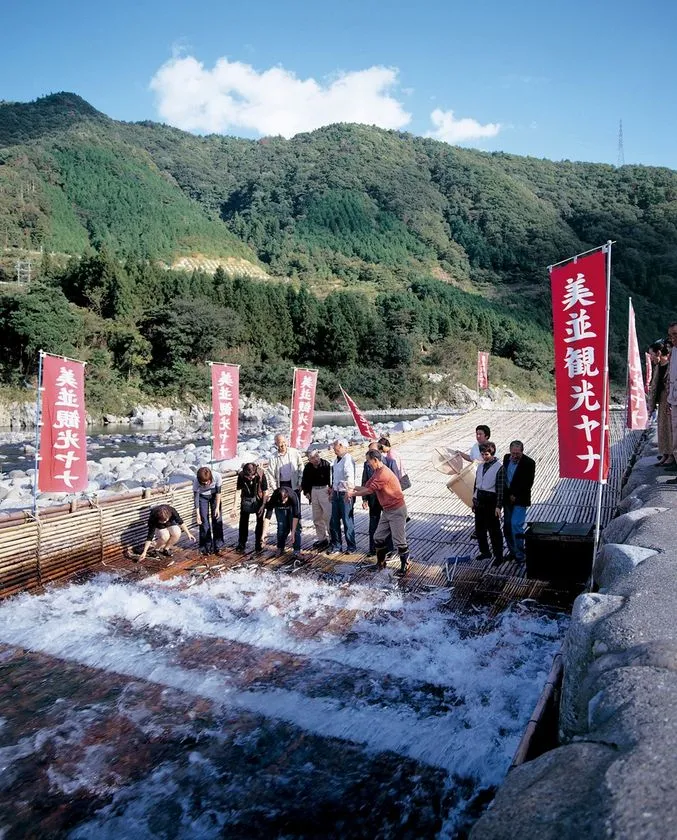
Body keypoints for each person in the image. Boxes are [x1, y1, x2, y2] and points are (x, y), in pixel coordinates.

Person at [348, 449, 410, 575]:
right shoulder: (377, 471)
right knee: (378, 537)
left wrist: (352, 494)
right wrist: (352, 487)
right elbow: (367, 486)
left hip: (397, 510)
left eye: (368, 461)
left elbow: (369, 491)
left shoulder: (383, 473)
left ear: (375, 460)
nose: (367, 463)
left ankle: (405, 565)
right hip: (387, 510)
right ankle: (381, 563)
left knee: (399, 540)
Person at [266, 433, 304, 549]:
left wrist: (300, 481)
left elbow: (301, 467)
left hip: (294, 487)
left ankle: (296, 548)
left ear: (286, 442)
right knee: (281, 521)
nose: (282, 445)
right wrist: (275, 489)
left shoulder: (294, 452)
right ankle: (280, 546)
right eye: (279, 443)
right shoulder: (273, 457)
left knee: (296, 517)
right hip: (280, 488)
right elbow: (270, 474)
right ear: (276, 444)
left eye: (283, 442)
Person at [501, 441, 536, 563]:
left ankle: (520, 554)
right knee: (507, 526)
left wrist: (515, 495)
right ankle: (513, 552)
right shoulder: (506, 458)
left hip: (520, 499)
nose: (515, 456)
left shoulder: (529, 463)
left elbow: (528, 483)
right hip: (507, 498)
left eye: (517, 453)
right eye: (513, 453)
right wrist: (507, 494)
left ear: (522, 451)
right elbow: (504, 478)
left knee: (516, 525)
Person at [473, 442, 504, 566]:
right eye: (482, 454)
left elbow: (500, 489)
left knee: (494, 531)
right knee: (480, 529)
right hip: (479, 500)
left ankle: (498, 556)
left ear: (492, 453)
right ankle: (485, 552)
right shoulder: (480, 466)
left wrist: (498, 506)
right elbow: (476, 484)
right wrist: (473, 499)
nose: (484, 457)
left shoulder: (499, 467)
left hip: (491, 501)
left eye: (486, 454)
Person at [361, 442, 394, 556]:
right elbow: (365, 480)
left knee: (388, 523)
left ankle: (389, 549)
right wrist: (364, 499)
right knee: (373, 524)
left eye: (372, 451)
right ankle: (373, 549)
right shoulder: (367, 464)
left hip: (385, 498)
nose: (370, 454)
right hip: (373, 498)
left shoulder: (389, 462)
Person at [328, 438, 357, 554]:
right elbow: (335, 478)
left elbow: (350, 477)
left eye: (335, 446)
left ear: (341, 446)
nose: (334, 449)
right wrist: (332, 491)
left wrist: (349, 492)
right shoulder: (336, 460)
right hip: (336, 493)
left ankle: (351, 546)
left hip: (345, 493)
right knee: (334, 520)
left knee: (347, 520)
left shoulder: (348, 459)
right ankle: (337, 545)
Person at [232, 462, 268, 552]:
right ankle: (241, 543)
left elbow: (265, 491)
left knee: (259, 521)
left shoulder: (261, 474)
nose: (249, 478)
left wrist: (263, 505)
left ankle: (258, 543)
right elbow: (238, 491)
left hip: (258, 499)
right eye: (247, 477)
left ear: (255, 473)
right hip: (246, 499)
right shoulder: (241, 476)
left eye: (251, 476)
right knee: (243, 522)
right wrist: (234, 507)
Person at [648, 341, 673, 466]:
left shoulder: (670, 366)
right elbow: (654, 386)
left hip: (669, 400)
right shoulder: (658, 367)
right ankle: (665, 453)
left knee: (670, 429)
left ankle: (671, 455)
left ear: (658, 353)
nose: (651, 358)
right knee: (662, 428)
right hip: (662, 401)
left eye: (652, 355)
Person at [301, 449, 332, 549]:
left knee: (328, 516)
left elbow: (332, 478)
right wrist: (306, 492)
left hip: (325, 490)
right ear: (309, 459)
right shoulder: (308, 467)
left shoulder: (326, 464)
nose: (316, 459)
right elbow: (305, 481)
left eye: (317, 456)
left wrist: (331, 489)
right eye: (313, 458)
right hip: (314, 491)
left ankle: (333, 539)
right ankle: (322, 539)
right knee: (317, 517)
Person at [193, 466, 223, 555]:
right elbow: (196, 498)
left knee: (217, 519)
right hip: (202, 497)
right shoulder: (196, 481)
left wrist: (217, 507)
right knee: (204, 522)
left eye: (208, 481)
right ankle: (206, 546)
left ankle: (218, 545)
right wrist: (198, 514)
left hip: (214, 496)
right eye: (203, 482)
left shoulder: (217, 476)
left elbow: (218, 492)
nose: (206, 483)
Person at [264, 485, 301, 557]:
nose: (283, 502)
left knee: (296, 529)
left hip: (291, 507)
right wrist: (264, 533)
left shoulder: (292, 496)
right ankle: (280, 547)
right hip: (279, 507)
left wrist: (293, 532)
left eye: (285, 499)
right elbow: (268, 515)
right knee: (281, 526)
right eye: (282, 500)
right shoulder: (275, 496)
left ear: (287, 496)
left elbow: (296, 516)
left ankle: (296, 550)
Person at [667, 323, 677, 476]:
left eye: (675, 334)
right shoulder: (674, 351)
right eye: (671, 335)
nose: (673, 338)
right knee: (675, 432)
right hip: (674, 399)